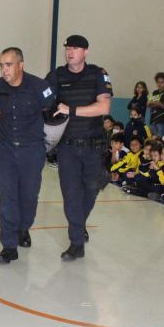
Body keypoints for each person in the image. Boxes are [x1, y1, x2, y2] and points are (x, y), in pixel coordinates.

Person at [49, 35, 112, 260]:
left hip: (94, 147)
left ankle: (78, 223)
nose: (70, 52)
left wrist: (71, 109)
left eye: (75, 48)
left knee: (92, 190)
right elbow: (43, 98)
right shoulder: (57, 76)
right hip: (67, 148)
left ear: (86, 51)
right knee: (71, 194)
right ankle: (76, 241)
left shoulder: (98, 73)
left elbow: (104, 106)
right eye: (67, 48)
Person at [0, 47, 55, 264]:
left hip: (31, 150)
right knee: (7, 196)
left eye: (8, 65)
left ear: (21, 64)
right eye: (1, 65)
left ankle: (23, 229)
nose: (4, 70)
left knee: (29, 196)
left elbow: (55, 115)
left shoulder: (40, 87)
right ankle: (9, 246)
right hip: (7, 150)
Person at [147, 72, 164, 138]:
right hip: (153, 118)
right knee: (153, 137)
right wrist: (156, 103)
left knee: (159, 137)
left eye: (161, 82)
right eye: (158, 82)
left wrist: (156, 103)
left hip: (162, 118)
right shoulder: (155, 92)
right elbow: (148, 104)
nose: (159, 84)